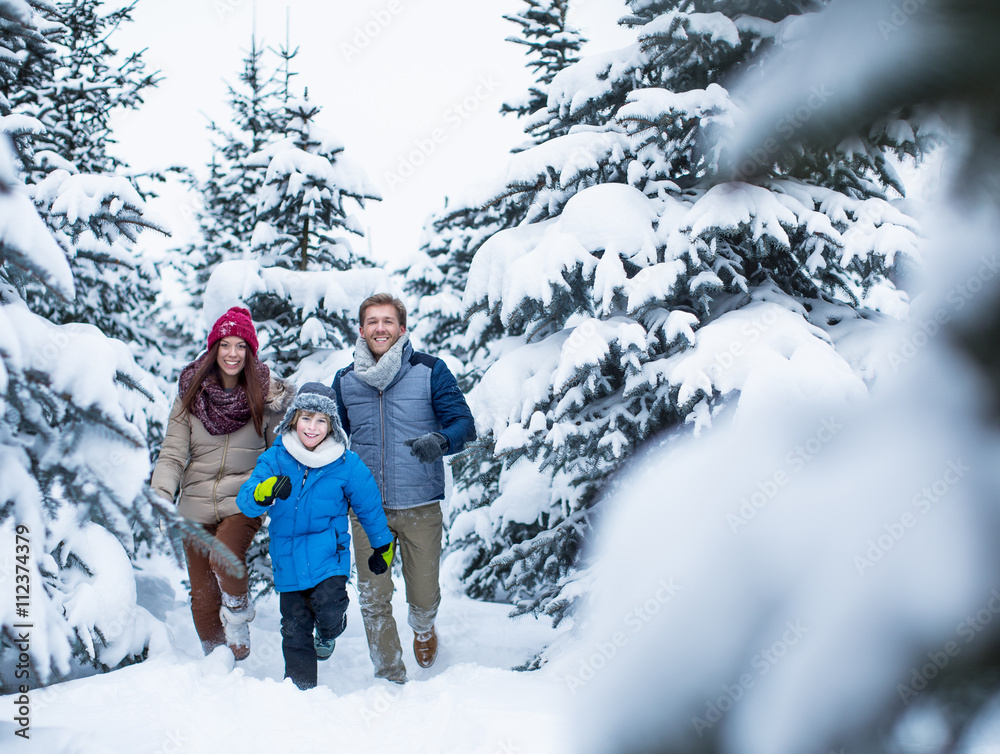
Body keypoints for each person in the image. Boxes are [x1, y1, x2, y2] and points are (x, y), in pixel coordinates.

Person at [332, 293, 475, 683]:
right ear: (361, 331)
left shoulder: (431, 371)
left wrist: (442, 441)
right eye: (372, 321)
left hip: (419, 506)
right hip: (366, 511)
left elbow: (464, 423)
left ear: (402, 328)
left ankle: (424, 627)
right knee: (373, 598)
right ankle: (389, 674)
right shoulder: (345, 382)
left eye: (388, 321)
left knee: (424, 594)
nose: (380, 327)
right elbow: (330, 440)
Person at [151, 306, 294, 660]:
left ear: (251, 351)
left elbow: (282, 451)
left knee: (225, 557)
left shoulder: (266, 396)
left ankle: (238, 612)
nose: (233, 354)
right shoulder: (190, 393)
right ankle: (218, 664)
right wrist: (161, 495)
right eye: (225, 345)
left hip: (243, 499)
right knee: (201, 597)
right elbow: (172, 454)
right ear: (214, 348)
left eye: (241, 346)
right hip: (194, 506)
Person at [236, 382, 394, 690]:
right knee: (294, 630)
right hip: (289, 557)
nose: (312, 427)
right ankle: (300, 693)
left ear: (331, 424)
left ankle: (329, 631)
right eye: (306, 417)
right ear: (294, 418)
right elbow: (245, 500)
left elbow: (369, 506)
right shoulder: (276, 456)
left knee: (330, 606)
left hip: (328, 556)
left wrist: (382, 546)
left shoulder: (347, 463)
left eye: (321, 420)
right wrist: (266, 490)